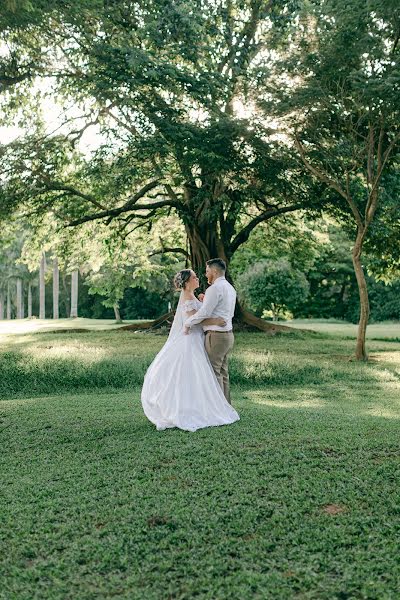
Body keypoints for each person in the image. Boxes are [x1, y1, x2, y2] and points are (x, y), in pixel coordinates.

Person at [141, 268, 240, 432]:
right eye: (194, 277)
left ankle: (204, 405)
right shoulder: (187, 297)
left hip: (198, 339)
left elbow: (200, 311)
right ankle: (189, 409)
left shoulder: (193, 296)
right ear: (187, 282)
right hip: (190, 341)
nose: (197, 279)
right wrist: (215, 319)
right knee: (191, 374)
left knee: (200, 375)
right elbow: (194, 319)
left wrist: (201, 299)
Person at [184, 258, 236, 404]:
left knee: (214, 373)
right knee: (223, 372)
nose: (206, 275)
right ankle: (227, 406)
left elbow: (204, 313)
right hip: (228, 335)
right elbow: (221, 309)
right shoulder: (229, 288)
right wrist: (205, 299)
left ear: (214, 271)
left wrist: (187, 323)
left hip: (216, 337)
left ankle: (218, 409)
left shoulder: (214, 289)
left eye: (207, 271)